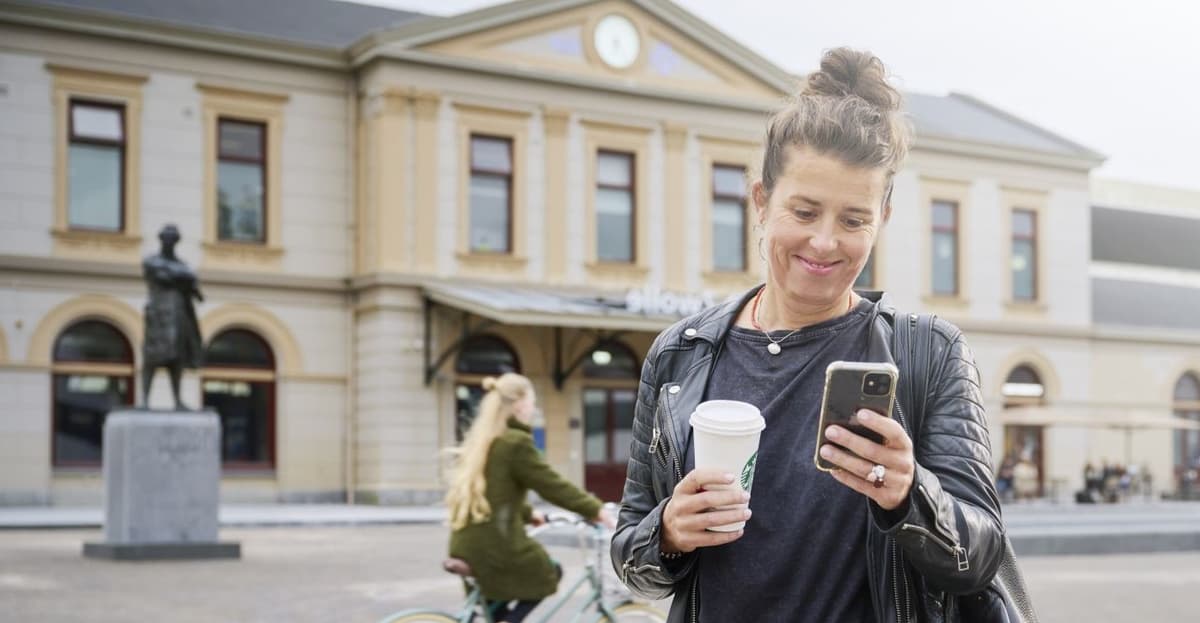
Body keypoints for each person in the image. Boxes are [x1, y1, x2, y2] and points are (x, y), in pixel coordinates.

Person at [612, 48, 1005, 622]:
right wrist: (668, 531)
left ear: (882, 220)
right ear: (761, 201)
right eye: (804, 211)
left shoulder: (930, 353)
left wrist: (908, 494)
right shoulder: (681, 356)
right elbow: (631, 558)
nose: (825, 243)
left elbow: (982, 555)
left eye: (853, 220)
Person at [446, 373, 614, 623]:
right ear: (519, 404)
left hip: (465, 543)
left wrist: (529, 515)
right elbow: (551, 484)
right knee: (548, 572)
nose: (533, 409)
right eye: (532, 402)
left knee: (497, 609)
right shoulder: (516, 442)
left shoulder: (487, 440)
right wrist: (595, 510)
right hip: (493, 546)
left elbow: (497, 492)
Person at [141, 224, 204, 410]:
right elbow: (168, 276)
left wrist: (184, 278)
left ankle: (177, 400)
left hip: (179, 313)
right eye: (166, 238)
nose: (169, 242)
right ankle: (145, 400)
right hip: (159, 313)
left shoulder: (181, 264)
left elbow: (191, 281)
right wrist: (183, 278)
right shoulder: (152, 261)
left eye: (173, 239)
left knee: (178, 357)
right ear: (161, 239)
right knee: (152, 356)